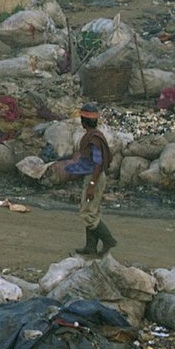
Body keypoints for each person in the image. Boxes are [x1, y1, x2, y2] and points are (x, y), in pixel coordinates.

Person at [62, 103, 117, 257]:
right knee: (92, 211)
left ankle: (108, 239)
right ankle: (90, 247)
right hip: (94, 176)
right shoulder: (95, 135)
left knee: (87, 213)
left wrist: (92, 185)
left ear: (83, 121)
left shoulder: (93, 138)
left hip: (95, 178)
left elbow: (98, 163)